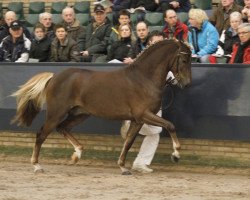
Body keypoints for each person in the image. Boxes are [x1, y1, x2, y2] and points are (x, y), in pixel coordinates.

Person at [122, 30, 174, 173]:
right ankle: (129, 124)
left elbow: (175, 79)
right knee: (155, 131)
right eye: (155, 43)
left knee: (155, 132)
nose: (158, 45)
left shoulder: (167, 63)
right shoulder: (141, 61)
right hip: (139, 104)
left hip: (155, 104)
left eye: (161, 43)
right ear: (150, 44)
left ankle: (140, 162)